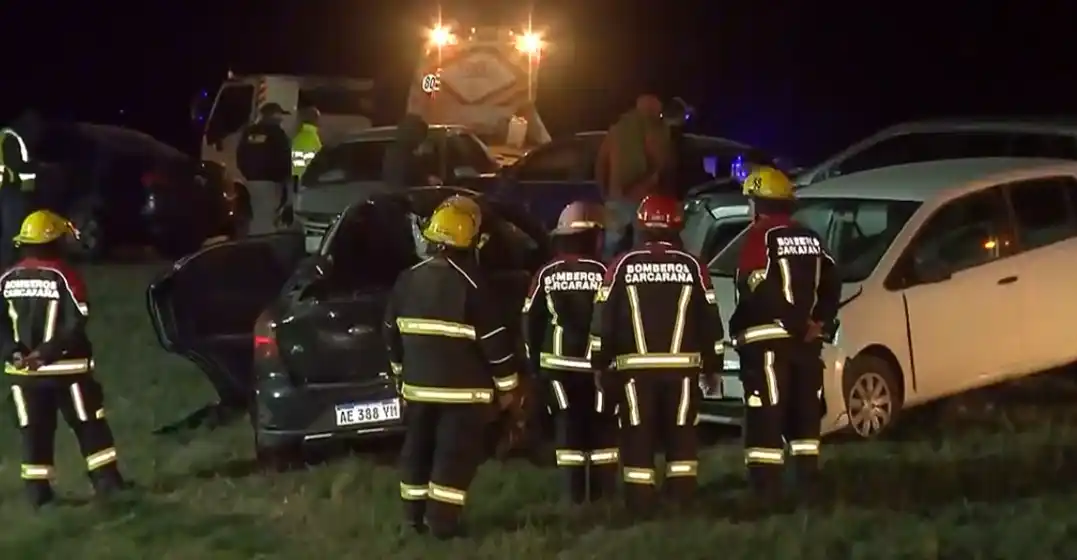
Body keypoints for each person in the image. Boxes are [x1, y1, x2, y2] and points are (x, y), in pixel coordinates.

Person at [382, 195, 523, 539]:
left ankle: (413, 519)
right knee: (452, 456)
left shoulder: (407, 279)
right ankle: (442, 525)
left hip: (417, 390)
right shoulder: (473, 285)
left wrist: (400, 378)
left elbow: (391, 335)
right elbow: (496, 345)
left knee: (417, 450)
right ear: (472, 241)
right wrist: (508, 389)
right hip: (464, 395)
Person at [589, 193, 724, 512]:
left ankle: (640, 501)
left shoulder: (620, 265)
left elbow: (603, 318)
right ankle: (682, 496)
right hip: (683, 371)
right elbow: (709, 320)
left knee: (637, 433)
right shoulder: (693, 266)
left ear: (642, 225)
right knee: (681, 432)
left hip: (635, 372)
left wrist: (599, 363)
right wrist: (713, 366)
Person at [0, 210, 129, 507]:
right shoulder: (65, 275)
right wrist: (46, 354)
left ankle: (38, 495)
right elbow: (76, 322)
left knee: (34, 432)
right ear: (55, 241)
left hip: (23, 376)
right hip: (67, 372)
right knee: (89, 425)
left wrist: (14, 352)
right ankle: (108, 484)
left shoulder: (8, 277)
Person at [729, 166, 840, 505]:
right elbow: (832, 281)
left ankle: (765, 490)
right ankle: (807, 480)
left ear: (758, 204)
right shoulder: (811, 238)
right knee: (805, 412)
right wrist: (818, 322)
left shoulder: (759, 236)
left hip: (767, 342)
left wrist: (791, 322)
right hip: (806, 344)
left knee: (766, 412)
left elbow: (756, 284)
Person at [522, 201, 617, 504]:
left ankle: (573, 496)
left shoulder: (545, 274)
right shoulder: (606, 272)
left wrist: (534, 364)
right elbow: (617, 318)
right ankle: (603, 496)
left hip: (557, 369)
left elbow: (530, 321)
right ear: (594, 236)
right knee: (601, 428)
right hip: (598, 369)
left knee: (567, 427)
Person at [594, 94, 673, 259]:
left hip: (616, 197)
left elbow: (600, 163)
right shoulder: (653, 128)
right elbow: (660, 163)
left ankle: (607, 277)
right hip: (642, 200)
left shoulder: (616, 129)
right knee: (642, 247)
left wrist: (605, 193)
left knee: (611, 246)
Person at [236, 103, 292, 235]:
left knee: (253, 220)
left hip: (249, 184)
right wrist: (286, 183)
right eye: (279, 115)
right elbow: (284, 159)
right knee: (268, 222)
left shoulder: (248, 132)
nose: (281, 119)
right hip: (271, 185)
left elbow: (240, 156)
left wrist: (247, 174)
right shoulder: (277, 133)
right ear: (272, 116)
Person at [0, 111, 43, 270]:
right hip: (10, 190)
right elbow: (16, 166)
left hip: (9, 190)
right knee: (11, 232)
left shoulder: (7, 136)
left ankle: (9, 264)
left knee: (10, 231)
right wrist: (37, 167)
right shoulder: (12, 138)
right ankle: (7, 266)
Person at [382, 113, 440, 189]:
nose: (421, 141)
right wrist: (427, 179)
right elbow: (410, 177)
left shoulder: (393, 152)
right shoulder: (404, 157)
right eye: (421, 136)